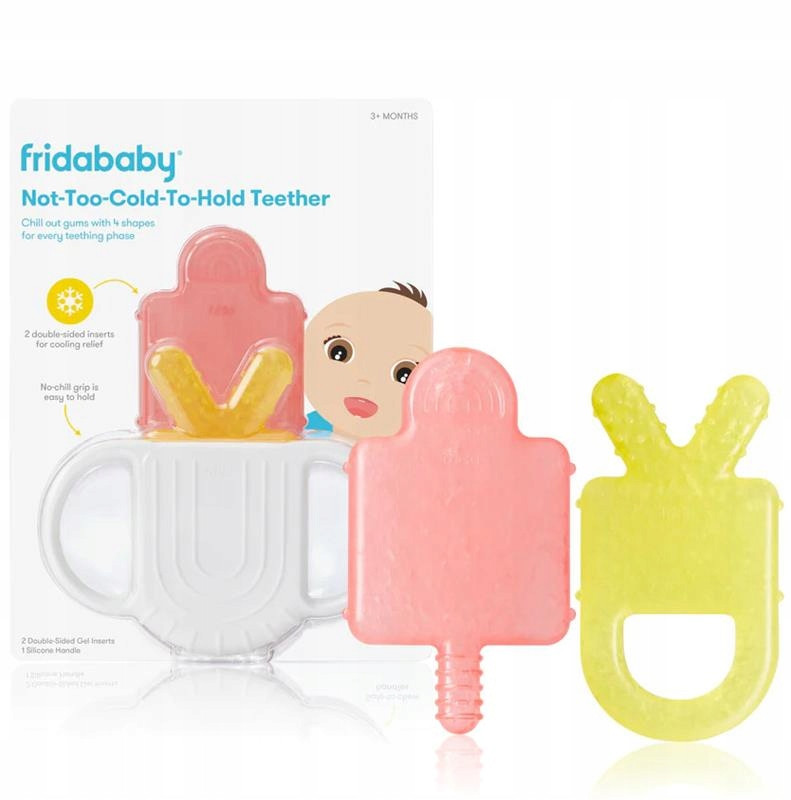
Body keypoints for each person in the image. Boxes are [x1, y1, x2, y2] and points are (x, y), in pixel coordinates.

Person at [304, 282, 433, 439]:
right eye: (340, 352)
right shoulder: (306, 430)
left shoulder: (415, 446)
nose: (365, 381)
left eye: (404, 374)